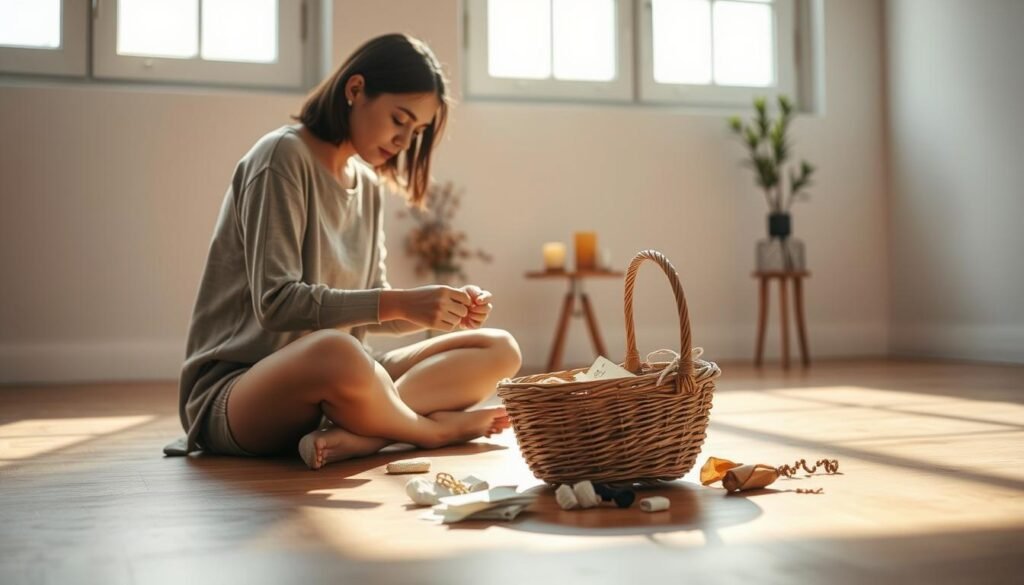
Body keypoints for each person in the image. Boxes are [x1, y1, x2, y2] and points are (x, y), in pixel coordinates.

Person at [173, 33, 521, 470]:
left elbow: (370, 301)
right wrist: (400, 303)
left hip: (343, 381)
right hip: (238, 394)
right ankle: (428, 431)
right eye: (400, 119)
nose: (403, 142)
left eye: (416, 132)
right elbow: (277, 303)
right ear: (355, 91)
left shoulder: (369, 184)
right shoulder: (282, 156)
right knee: (337, 352)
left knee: (501, 350)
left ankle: (362, 437)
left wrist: (435, 306)